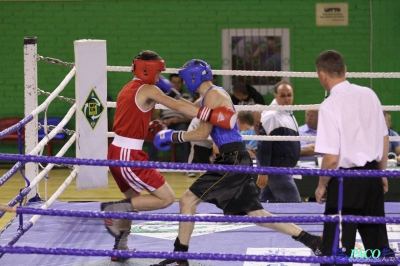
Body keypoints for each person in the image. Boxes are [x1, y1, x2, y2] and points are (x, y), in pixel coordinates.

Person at [150, 59, 322, 266]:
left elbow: (202, 132)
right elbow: (187, 108)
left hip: (231, 160)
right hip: (236, 158)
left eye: (186, 80)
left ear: (192, 77)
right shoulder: (212, 94)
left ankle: (180, 255)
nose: (185, 84)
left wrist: (173, 136)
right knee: (257, 214)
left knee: (188, 200)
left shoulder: (213, 95)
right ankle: (311, 241)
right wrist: (168, 94)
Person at [100, 50, 238, 262]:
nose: (160, 77)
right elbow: (178, 106)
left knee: (133, 200)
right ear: (148, 70)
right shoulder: (147, 88)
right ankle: (113, 210)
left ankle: (120, 247)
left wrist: (149, 130)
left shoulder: (129, 88)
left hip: (118, 151)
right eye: (158, 72)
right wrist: (214, 114)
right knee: (165, 198)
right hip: (128, 155)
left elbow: (127, 123)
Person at [314, 50, 395, 265]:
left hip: (345, 181)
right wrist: (381, 173)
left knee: (337, 249)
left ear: (322, 75)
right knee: (378, 244)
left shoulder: (330, 105)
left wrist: (322, 185)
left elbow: (331, 158)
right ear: (345, 70)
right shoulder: (369, 94)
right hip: (372, 175)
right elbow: (384, 137)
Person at [256, 80, 301, 202]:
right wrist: (263, 171)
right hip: (277, 169)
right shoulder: (272, 115)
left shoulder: (288, 113)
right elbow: (264, 144)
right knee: (294, 205)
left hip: (284, 168)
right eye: (282, 95)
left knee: (265, 204)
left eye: (289, 95)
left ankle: (254, 219)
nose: (287, 99)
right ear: (275, 96)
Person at [148, 73, 194, 163]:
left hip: (180, 123)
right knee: (154, 133)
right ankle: (151, 165)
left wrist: (179, 120)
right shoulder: (162, 97)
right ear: (170, 83)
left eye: (178, 82)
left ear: (182, 83)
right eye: (174, 82)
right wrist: (162, 121)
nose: (176, 84)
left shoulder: (187, 97)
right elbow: (155, 114)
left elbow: (191, 116)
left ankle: (187, 167)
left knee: (185, 133)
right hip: (165, 123)